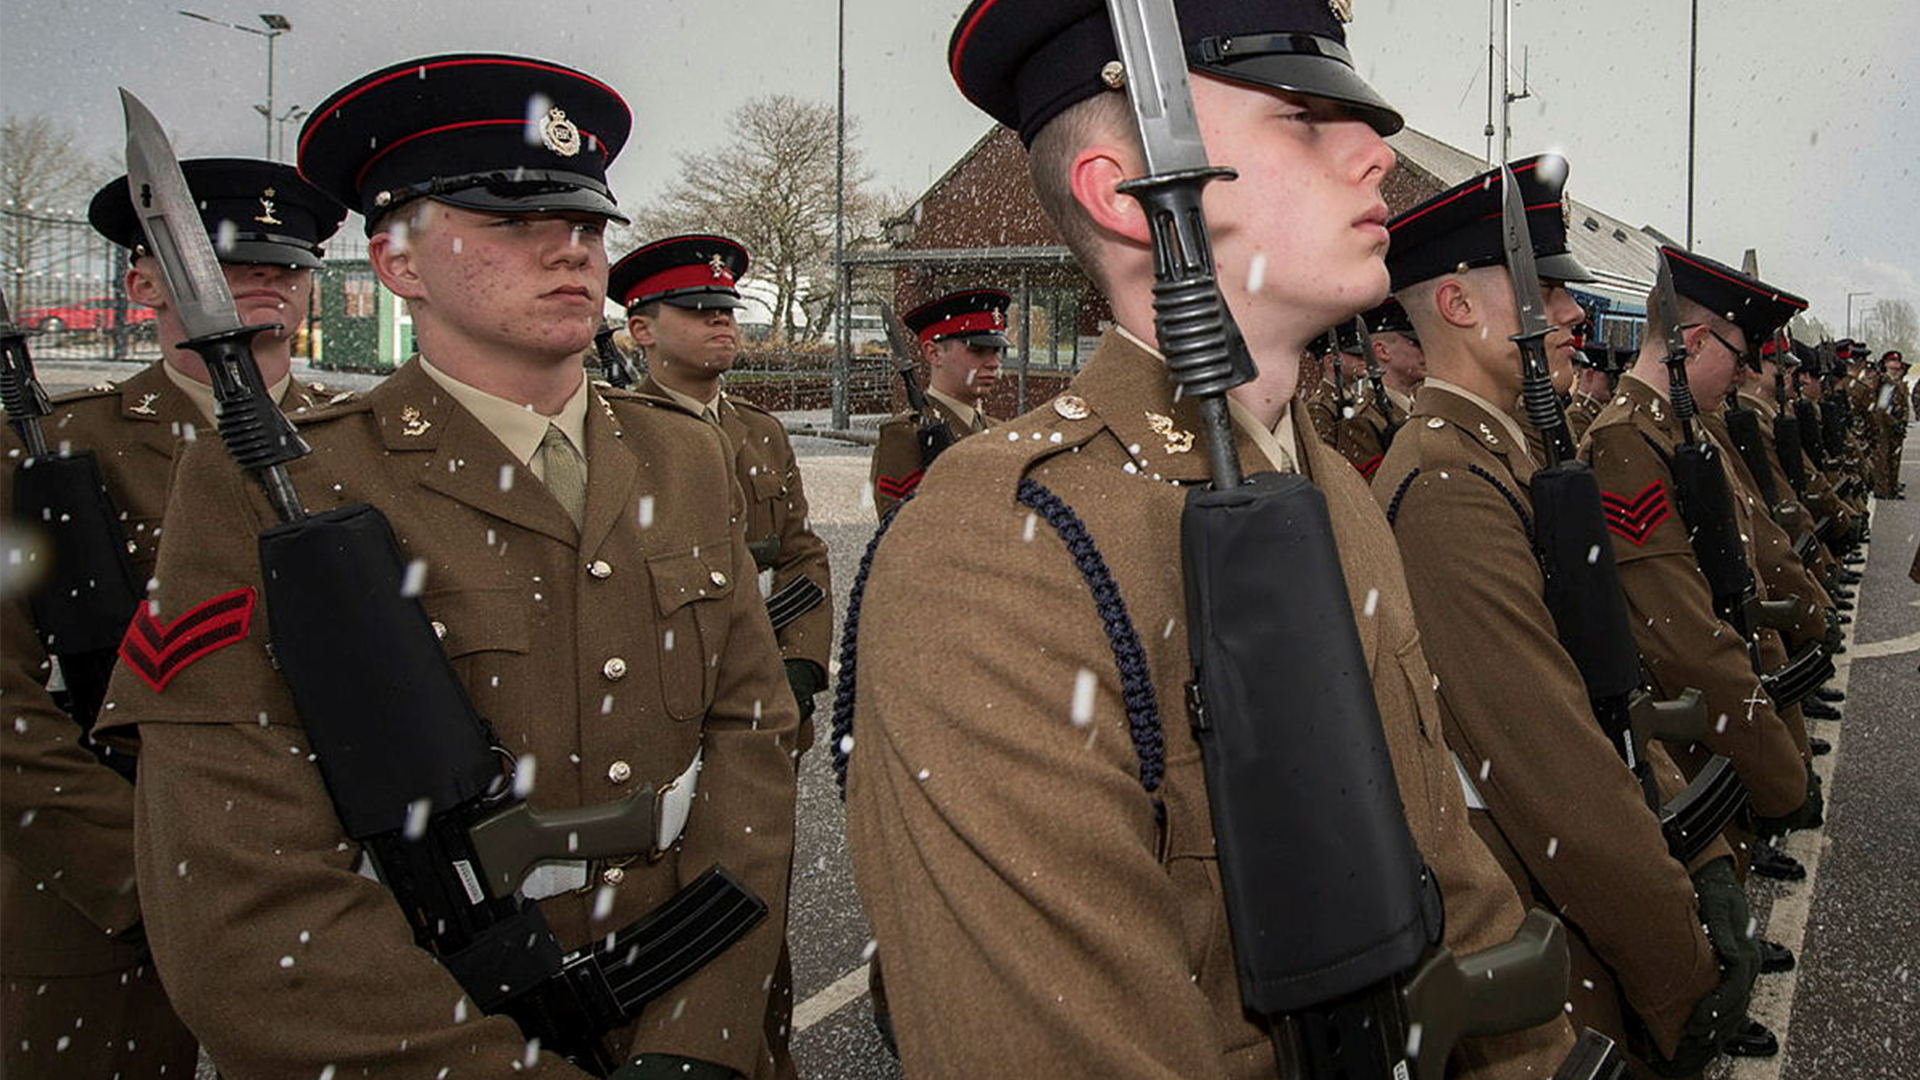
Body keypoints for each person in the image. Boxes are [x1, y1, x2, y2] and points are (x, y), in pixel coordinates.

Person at [841, 1, 1576, 1075]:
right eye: (1302, 116)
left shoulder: (1332, 492)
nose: (1376, 152)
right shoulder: (1000, 550)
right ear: (1131, 201)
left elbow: (1449, 886)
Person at [94, 54, 797, 1080]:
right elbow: (241, 888)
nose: (571, 248)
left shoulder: (681, 454)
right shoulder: (281, 486)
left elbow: (752, 735)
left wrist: (702, 1033)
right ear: (397, 263)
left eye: (591, 224)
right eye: (511, 222)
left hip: (704, 1016)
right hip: (440, 1011)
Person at [1373, 156, 1754, 1074]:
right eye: (1546, 291)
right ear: (1460, 310)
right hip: (1537, 899)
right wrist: (1680, 958)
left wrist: (1693, 848)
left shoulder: (1493, 460)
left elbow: (1604, 681)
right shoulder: (1450, 486)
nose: (1576, 316)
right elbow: (1551, 763)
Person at [1, 157, 346, 1080]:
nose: (268, 280)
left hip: (342, 890)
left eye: (287, 263)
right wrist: (156, 873)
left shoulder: (370, 439)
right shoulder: (55, 451)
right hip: (108, 907)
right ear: (142, 280)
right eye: (229, 258)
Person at [610, 232, 832, 1078]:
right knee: (656, 930)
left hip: (760, 721)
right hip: (656, 723)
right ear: (641, 330)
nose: (719, 326)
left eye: (724, 311)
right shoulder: (612, 436)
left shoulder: (761, 434)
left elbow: (803, 555)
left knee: (754, 918)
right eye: (696, 313)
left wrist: (801, 668)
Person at [1578, 247, 1821, 858]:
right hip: (1687, 723)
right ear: (1692, 341)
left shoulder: (1681, 428)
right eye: (1739, 358)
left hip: (1717, 712)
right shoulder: (1626, 442)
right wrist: (1778, 769)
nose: (1745, 375)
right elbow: (1679, 634)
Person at [868, 287, 1009, 517]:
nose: (994, 362)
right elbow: (902, 532)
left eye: (997, 351)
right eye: (978, 350)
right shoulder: (905, 436)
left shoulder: (1000, 431)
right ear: (934, 353)